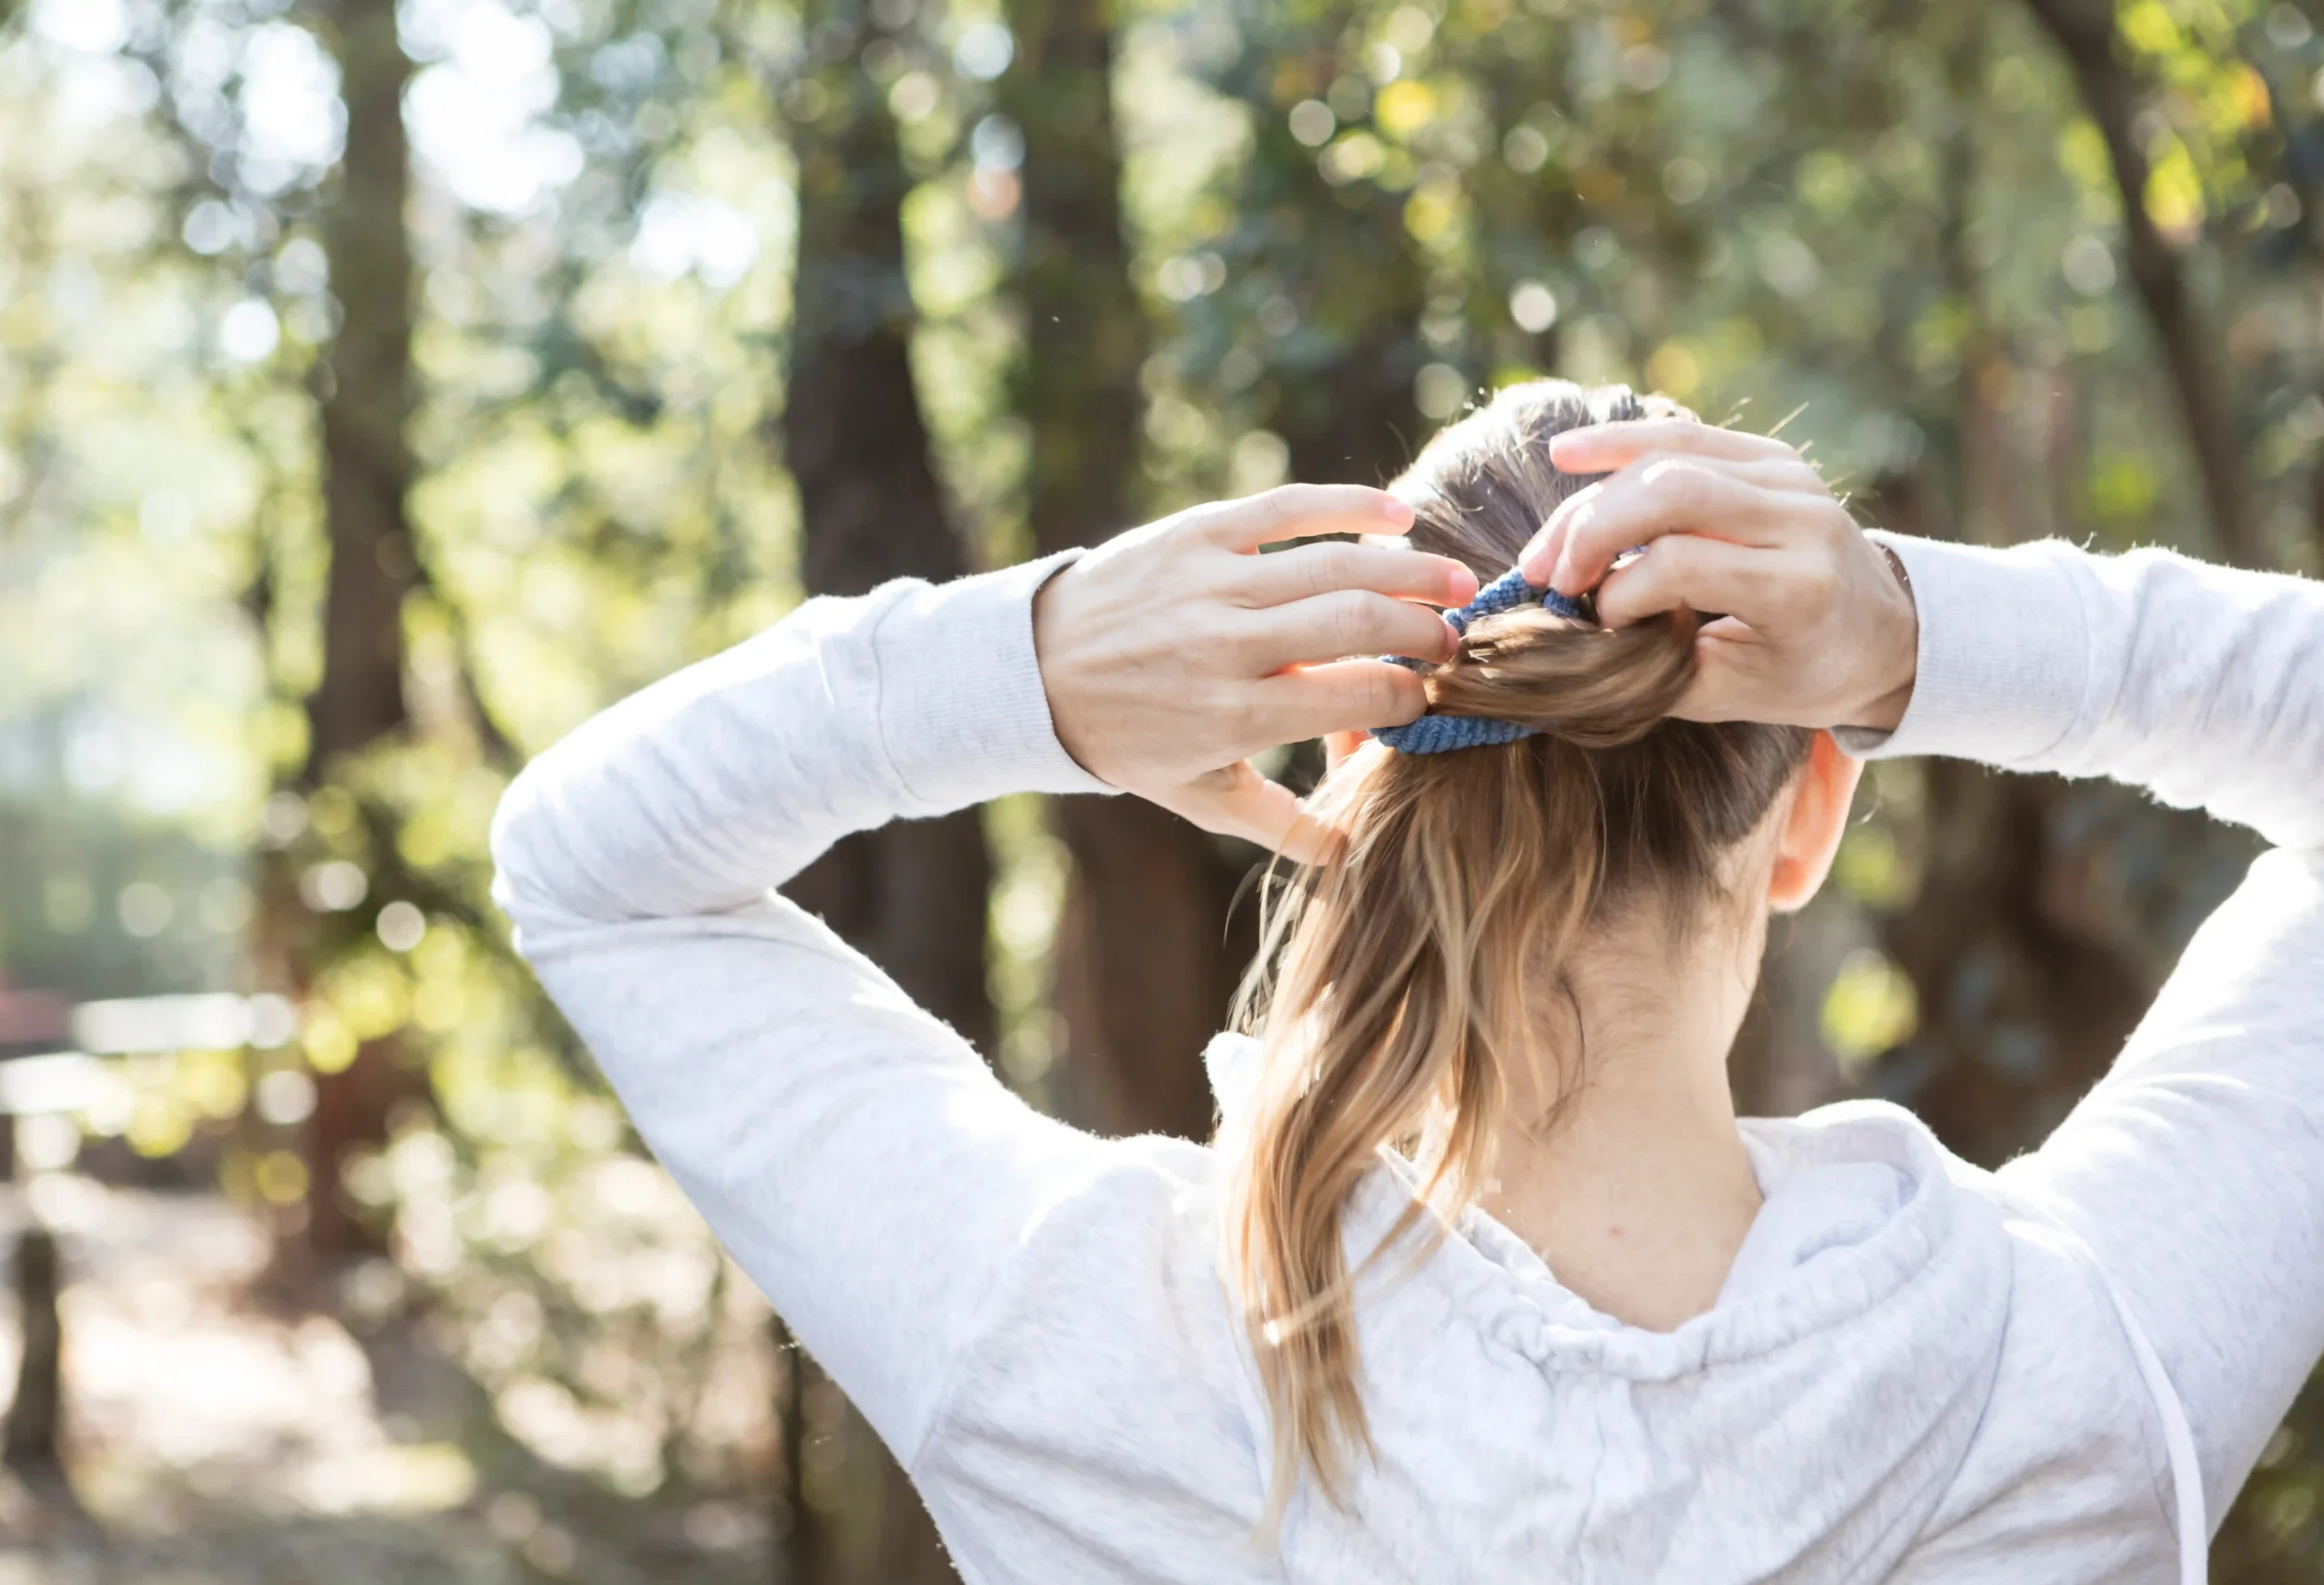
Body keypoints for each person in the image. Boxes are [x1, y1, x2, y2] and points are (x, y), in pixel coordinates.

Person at [489, 381, 2324, 1583]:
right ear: (1802, 815)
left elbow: (596, 873)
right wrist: (1918, 630)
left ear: (1344, 778)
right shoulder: (2078, 1374)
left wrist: (1036, 664)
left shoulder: (1072, 1338)